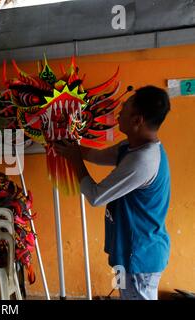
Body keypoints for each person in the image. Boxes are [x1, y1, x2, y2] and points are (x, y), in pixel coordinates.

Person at [54, 86, 171, 300]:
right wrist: (71, 146)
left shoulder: (143, 160)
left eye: (124, 109)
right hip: (127, 250)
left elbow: (96, 196)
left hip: (139, 256)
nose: (118, 114)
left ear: (138, 120)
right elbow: (98, 156)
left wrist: (74, 160)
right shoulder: (131, 146)